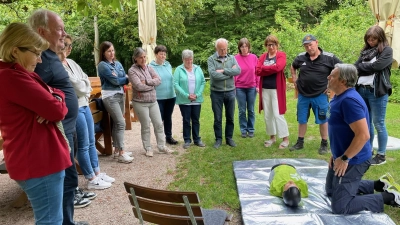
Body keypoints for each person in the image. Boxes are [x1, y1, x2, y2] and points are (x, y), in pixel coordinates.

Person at [0, 22, 70, 225]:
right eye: (36, 53)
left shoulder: (17, 73)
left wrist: (55, 96)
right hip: (39, 160)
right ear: (16, 50)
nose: (40, 60)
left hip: (35, 158)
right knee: (50, 221)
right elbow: (57, 110)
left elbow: (57, 95)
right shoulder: (13, 78)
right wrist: (54, 100)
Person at [28, 9, 88, 225]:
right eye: (60, 29)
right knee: (63, 184)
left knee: (69, 182)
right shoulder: (40, 59)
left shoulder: (50, 56)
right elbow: (29, 91)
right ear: (42, 32)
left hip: (66, 133)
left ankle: (68, 222)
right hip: (57, 137)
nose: (64, 33)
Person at [325, 63, 400, 214]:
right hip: (341, 155)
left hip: (354, 159)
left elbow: (364, 135)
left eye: (332, 75)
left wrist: (345, 158)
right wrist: (335, 155)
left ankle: (389, 196)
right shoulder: (338, 97)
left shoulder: (349, 101)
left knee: (340, 206)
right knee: (331, 191)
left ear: (343, 81)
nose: (328, 77)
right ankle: (380, 184)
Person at [60, 35, 115, 190]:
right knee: (83, 144)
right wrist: (84, 86)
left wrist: (84, 86)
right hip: (75, 107)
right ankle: (90, 177)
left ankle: (97, 172)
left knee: (91, 140)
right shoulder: (59, 65)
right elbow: (77, 85)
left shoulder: (71, 63)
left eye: (71, 45)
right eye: (66, 45)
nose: (69, 48)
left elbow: (85, 80)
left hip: (84, 104)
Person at [290, 34, 342, 154]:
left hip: (320, 95)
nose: (309, 48)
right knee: (302, 119)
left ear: (316, 43)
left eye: (310, 45)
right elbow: (293, 66)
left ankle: (324, 143)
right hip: (303, 95)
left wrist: (332, 87)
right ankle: (300, 142)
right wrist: (294, 79)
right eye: (306, 46)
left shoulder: (329, 58)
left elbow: (341, 69)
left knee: (323, 119)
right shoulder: (301, 57)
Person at [354, 26, 393, 166]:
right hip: (362, 91)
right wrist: (364, 68)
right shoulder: (365, 51)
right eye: (368, 39)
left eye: (374, 39)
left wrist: (361, 68)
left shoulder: (387, 51)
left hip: (377, 92)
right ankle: (367, 151)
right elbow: (355, 66)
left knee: (379, 123)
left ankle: (381, 155)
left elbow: (377, 67)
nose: (371, 41)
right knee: (365, 123)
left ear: (380, 38)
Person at [127, 47, 174, 157]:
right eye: (140, 57)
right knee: (146, 125)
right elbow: (138, 86)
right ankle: (148, 148)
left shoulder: (149, 68)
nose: (143, 59)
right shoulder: (132, 71)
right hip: (140, 102)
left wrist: (147, 82)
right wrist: (151, 86)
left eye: (144, 57)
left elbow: (158, 80)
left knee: (158, 123)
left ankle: (162, 146)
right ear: (135, 58)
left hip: (153, 101)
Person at [97, 41, 133, 163]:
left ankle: (117, 151)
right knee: (121, 122)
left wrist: (122, 78)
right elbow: (116, 81)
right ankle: (122, 152)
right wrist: (125, 78)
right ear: (103, 53)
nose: (112, 53)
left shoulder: (117, 64)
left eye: (112, 50)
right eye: (108, 51)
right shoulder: (102, 65)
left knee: (117, 123)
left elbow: (121, 77)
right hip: (110, 96)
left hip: (120, 95)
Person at [256, 35, 289, 149]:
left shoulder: (281, 55)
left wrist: (265, 68)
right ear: (266, 46)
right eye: (268, 45)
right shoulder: (263, 56)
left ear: (277, 45)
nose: (271, 47)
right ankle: (272, 138)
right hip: (265, 89)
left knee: (278, 113)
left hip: (276, 89)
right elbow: (257, 70)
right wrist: (270, 68)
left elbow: (279, 67)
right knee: (267, 115)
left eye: (273, 44)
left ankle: (285, 139)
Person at [207, 38, 241, 149]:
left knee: (230, 117)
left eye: (225, 49)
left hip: (231, 91)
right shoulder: (211, 59)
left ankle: (229, 138)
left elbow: (238, 71)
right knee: (217, 118)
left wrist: (223, 70)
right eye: (221, 49)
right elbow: (214, 76)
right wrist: (230, 73)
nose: (224, 51)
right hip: (216, 92)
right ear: (216, 48)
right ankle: (218, 139)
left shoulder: (232, 58)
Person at [174, 49, 206, 149]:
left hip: (197, 99)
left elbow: (203, 82)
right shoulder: (179, 69)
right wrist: (186, 95)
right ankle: (187, 140)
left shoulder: (198, 68)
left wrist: (197, 94)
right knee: (186, 120)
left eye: (191, 59)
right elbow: (176, 84)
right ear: (183, 59)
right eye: (187, 59)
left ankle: (197, 139)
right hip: (184, 100)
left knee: (196, 120)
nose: (189, 61)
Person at [149, 45, 178, 145]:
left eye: (164, 54)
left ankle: (168, 137)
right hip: (158, 97)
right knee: (159, 119)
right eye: (161, 54)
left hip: (171, 96)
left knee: (168, 117)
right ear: (156, 54)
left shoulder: (168, 65)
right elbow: (151, 81)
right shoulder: (151, 66)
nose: (163, 56)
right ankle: (160, 139)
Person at [234, 38, 258, 138]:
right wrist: (234, 86)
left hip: (252, 87)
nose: (244, 48)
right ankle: (243, 129)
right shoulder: (235, 58)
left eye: (246, 46)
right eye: (242, 46)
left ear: (249, 47)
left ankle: (251, 129)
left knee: (251, 109)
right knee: (242, 110)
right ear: (239, 47)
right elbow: (233, 74)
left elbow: (258, 72)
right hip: (239, 87)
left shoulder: (254, 57)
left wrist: (257, 85)